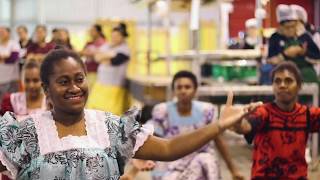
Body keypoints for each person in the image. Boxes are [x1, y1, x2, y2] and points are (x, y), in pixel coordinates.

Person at [0, 49, 261, 179]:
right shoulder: (26, 133)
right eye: (63, 82)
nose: (75, 88)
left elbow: (169, 149)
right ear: (46, 88)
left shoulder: (110, 127)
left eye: (79, 79)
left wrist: (219, 126)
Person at [131, 71, 244, 180]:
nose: (183, 91)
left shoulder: (207, 110)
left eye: (187, 87)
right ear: (174, 91)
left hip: (200, 160)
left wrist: (233, 170)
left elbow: (218, 140)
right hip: (171, 162)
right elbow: (147, 141)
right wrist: (133, 172)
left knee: (207, 160)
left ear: (195, 90)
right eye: (179, 87)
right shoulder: (162, 111)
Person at [234, 61, 320, 179]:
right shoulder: (264, 112)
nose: (282, 85)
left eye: (288, 81)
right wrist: (237, 121)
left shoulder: (306, 114)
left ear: (299, 86)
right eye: (277, 81)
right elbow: (246, 127)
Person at [267, 4, 320, 84]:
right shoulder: (275, 38)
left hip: (306, 78)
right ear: (281, 27)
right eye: (287, 27)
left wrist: (304, 52)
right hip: (284, 78)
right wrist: (285, 54)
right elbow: (270, 60)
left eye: (293, 26)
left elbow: (317, 57)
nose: (291, 30)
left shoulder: (304, 36)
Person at [87, 23, 131, 115]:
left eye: (117, 36)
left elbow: (113, 61)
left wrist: (103, 56)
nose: (114, 38)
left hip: (114, 86)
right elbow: (96, 58)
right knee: (94, 110)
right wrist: (109, 54)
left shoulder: (125, 49)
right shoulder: (107, 46)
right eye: (113, 36)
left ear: (123, 37)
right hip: (101, 83)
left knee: (110, 114)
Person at [80, 24, 107, 89]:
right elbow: (81, 53)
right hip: (87, 71)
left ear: (99, 32)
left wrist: (88, 53)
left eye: (93, 31)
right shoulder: (89, 43)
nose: (91, 32)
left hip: (97, 72)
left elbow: (99, 55)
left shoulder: (103, 43)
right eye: (90, 31)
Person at [0, 26, 21, 103]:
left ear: (8, 33)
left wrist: (2, 59)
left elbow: (13, 58)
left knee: (12, 102)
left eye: (2, 32)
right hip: (1, 80)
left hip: (12, 79)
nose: (0, 34)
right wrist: (5, 57)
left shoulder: (14, 43)